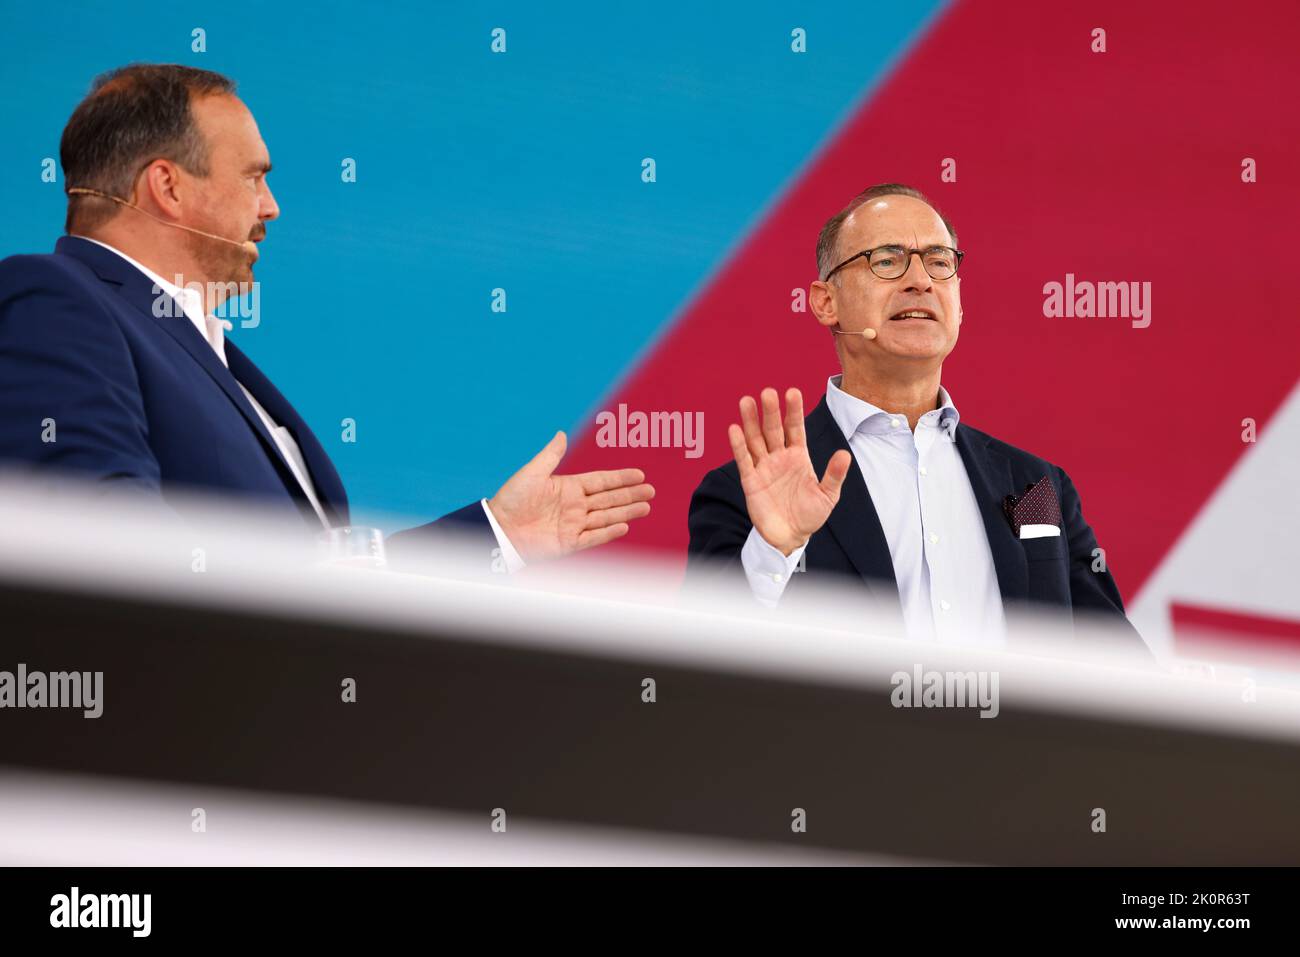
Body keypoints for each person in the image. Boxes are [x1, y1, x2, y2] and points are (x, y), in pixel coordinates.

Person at [0, 64, 654, 569]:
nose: (273, 207)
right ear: (167, 187)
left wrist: (496, 535)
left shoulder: (203, 350)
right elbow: (102, 550)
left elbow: (320, 591)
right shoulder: (58, 298)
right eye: (255, 177)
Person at [687, 183, 1142, 646]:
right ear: (826, 302)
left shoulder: (1034, 486)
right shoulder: (744, 494)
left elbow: (1118, 668)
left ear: (960, 304)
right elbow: (701, 669)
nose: (920, 281)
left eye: (940, 261)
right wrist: (775, 550)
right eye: (887, 260)